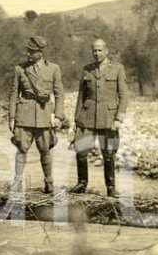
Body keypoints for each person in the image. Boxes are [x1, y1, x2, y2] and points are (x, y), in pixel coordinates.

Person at [70, 38, 129, 197]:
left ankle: (111, 187)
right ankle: (82, 184)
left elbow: (124, 96)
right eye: (94, 50)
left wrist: (119, 119)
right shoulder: (87, 69)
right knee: (81, 151)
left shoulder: (117, 69)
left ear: (106, 50)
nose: (97, 53)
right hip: (87, 117)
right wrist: (76, 121)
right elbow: (81, 96)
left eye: (100, 50)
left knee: (108, 154)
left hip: (108, 118)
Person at [8, 35, 64, 194]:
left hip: (44, 114)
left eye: (31, 51)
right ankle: (17, 182)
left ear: (40, 52)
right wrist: (12, 118)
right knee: (22, 149)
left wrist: (58, 116)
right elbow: (13, 94)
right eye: (27, 50)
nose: (28, 54)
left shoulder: (53, 69)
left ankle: (49, 182)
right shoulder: (20, 69)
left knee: (45, 150)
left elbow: (59, 94)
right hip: (24, 115)